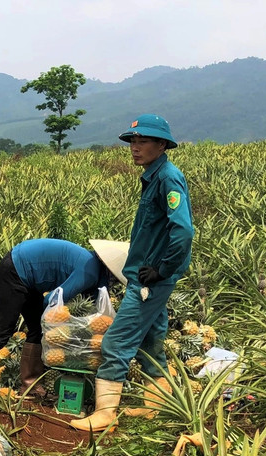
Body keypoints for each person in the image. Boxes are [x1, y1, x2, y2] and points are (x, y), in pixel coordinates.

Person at [72, 114, 194, 433]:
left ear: (162, 144)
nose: (135, 148)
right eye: (133, 142)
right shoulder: (154, 175)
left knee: (116, 341)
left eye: (143, 142)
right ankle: (157, 405)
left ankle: (104, 414)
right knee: (152, 341)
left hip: (151, 279)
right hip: (146, 274)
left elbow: (183, 231)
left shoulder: (168, 177)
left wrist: (163, 268)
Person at [0, 238, 127, 408]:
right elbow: (51, 301)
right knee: (0, 333)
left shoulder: (93, 265)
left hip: (28, 271)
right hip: (16, 268)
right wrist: (65, 327)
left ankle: (29, 385)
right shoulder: (90, 272)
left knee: (37, 329)